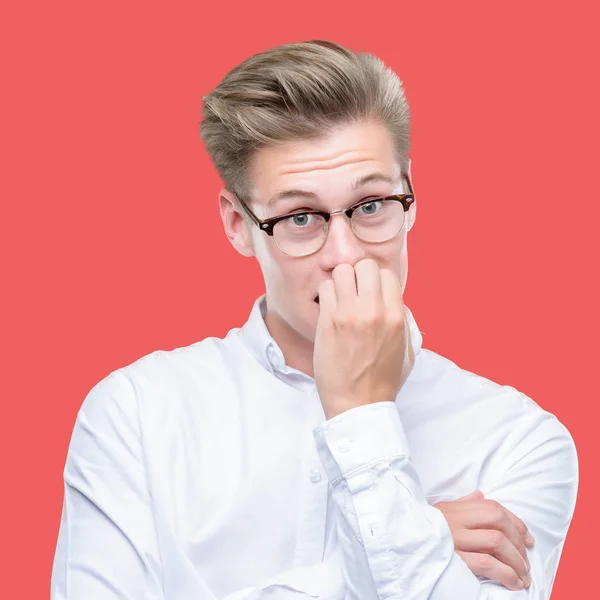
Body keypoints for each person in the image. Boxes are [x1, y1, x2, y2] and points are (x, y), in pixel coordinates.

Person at [50, 40, 578, 599]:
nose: (345, 254)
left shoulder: (519, 440)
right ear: (237, 224)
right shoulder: (135, 414)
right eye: (301, 217)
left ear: (410, 197)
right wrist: (403, 547)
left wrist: (359, 410)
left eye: (371, 205)